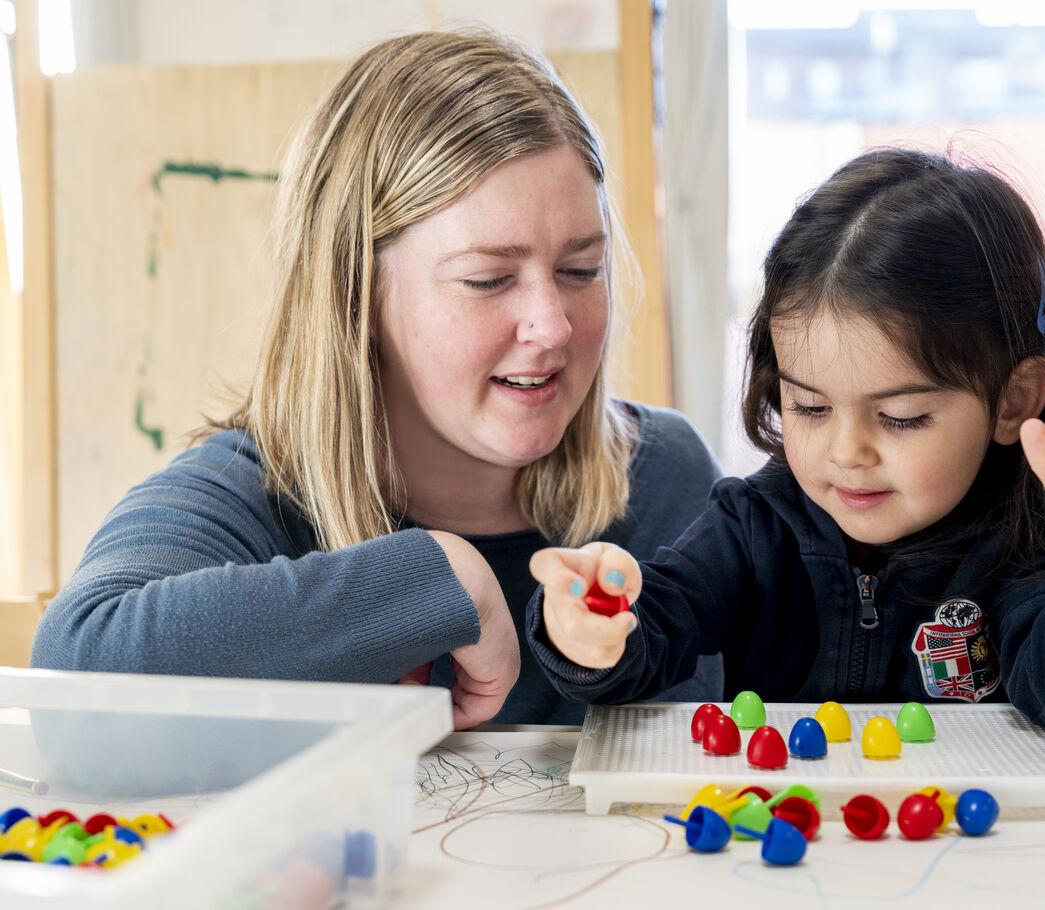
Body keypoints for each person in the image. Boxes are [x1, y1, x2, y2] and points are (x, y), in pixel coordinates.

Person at [32, 29, 722, 729]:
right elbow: (72, 675)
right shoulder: (250, 495)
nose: (553, 326)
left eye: (581, 271)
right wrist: (438, 579)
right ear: (355, 294)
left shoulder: (665, 478)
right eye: (487, 280)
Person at [527, 148, 1045, 739]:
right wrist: (586, 627)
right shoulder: (753, 528)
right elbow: (652, 633)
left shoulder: (1027, 546)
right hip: (786, 848)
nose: (847, 453)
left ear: (1012, 401)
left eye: (899, 417)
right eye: (809, 406)